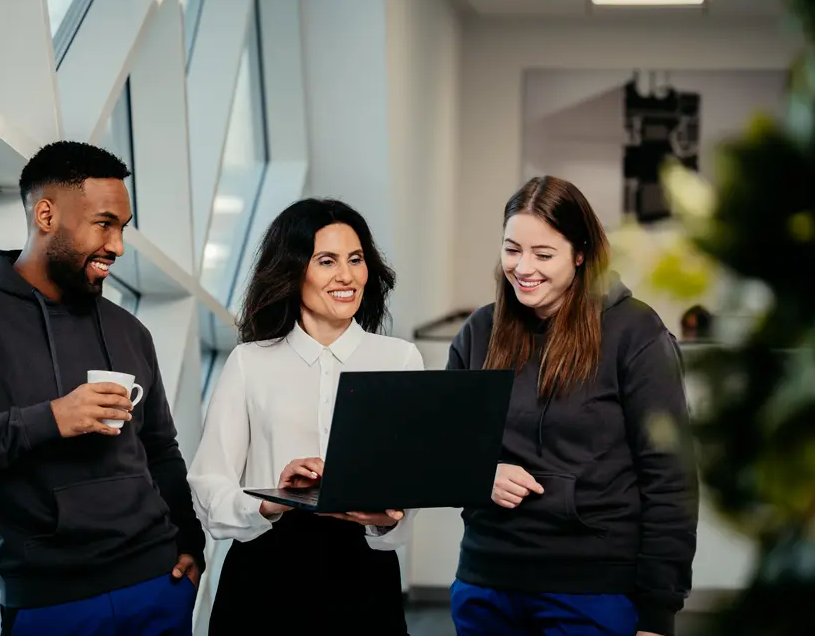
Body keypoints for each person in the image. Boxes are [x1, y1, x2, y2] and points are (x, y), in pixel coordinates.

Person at [0, 141, 205, 636]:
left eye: (121, 227)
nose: (117, 246)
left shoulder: (128, 329)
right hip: (51, 603)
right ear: (47, 215)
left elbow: (160, 446)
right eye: (104, 224)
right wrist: (51, 418)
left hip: (158, 582)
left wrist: (189, 539)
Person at [447, 176, 698, 636]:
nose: (523, 268)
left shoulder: (635, 333)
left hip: (593, 592)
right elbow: (444, 449)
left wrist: (659, 613)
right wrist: (480, 473)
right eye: (511, 249)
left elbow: (670, 478)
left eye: (543, 255)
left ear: (580, 254)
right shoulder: (479, 332)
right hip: (486, 583)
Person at [188, 198, 423, 635]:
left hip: (363, 577)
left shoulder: (400, 359)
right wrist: (272, 498)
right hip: (264, 574)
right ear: (294, 270)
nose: (347, 276)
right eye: (327, 261)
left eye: (356, 259)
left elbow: (407, 490)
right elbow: (209, 484)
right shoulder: (248, 362)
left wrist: (387, 517)